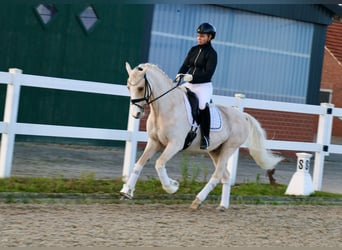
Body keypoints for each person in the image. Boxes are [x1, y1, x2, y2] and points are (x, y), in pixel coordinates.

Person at [176, 22, 217, 150]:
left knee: (202, 105)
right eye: (198, 35)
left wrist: (193, 77)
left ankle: (205, 136)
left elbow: (208, 73)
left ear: (210, 37)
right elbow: (185, 65)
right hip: (189, 83)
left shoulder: (212, 53)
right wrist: (179, 74)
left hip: (203, 86)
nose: (199, 38)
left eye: (203, 36)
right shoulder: (193, 50)